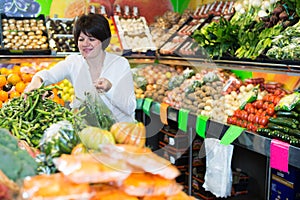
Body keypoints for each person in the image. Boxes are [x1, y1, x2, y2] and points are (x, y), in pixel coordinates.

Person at [25, 13, 136, 122]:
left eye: (91, 39)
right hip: (89, 131)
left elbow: (130, 107)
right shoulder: (74, 62)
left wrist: (110, 89)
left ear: (103, 41)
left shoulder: (120, 64)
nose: (85, 44)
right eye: (81, 39)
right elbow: (48, 75)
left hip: (121, 131)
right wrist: (36, 81)